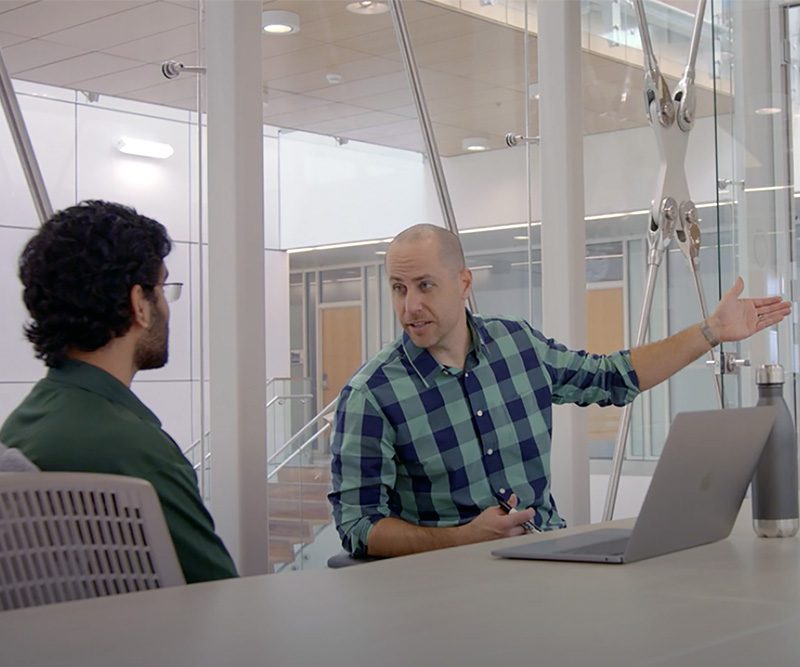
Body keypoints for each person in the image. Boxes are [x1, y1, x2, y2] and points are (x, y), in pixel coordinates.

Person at [329, 223, 792, 559]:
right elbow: (358, 525)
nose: (411, 306)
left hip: (548, 556)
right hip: (445, 583)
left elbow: (612, 377)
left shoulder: (517, 345)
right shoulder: (373, 395)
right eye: (398, 288)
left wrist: (711, 331)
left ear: (463, 283)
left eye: (425, 285)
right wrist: (463, 537)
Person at [0, 200, 238, 584]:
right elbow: (221, 597)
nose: (166, 305)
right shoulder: (135, 452)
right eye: (161, 288)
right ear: (138, 305)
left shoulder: (22, 426)